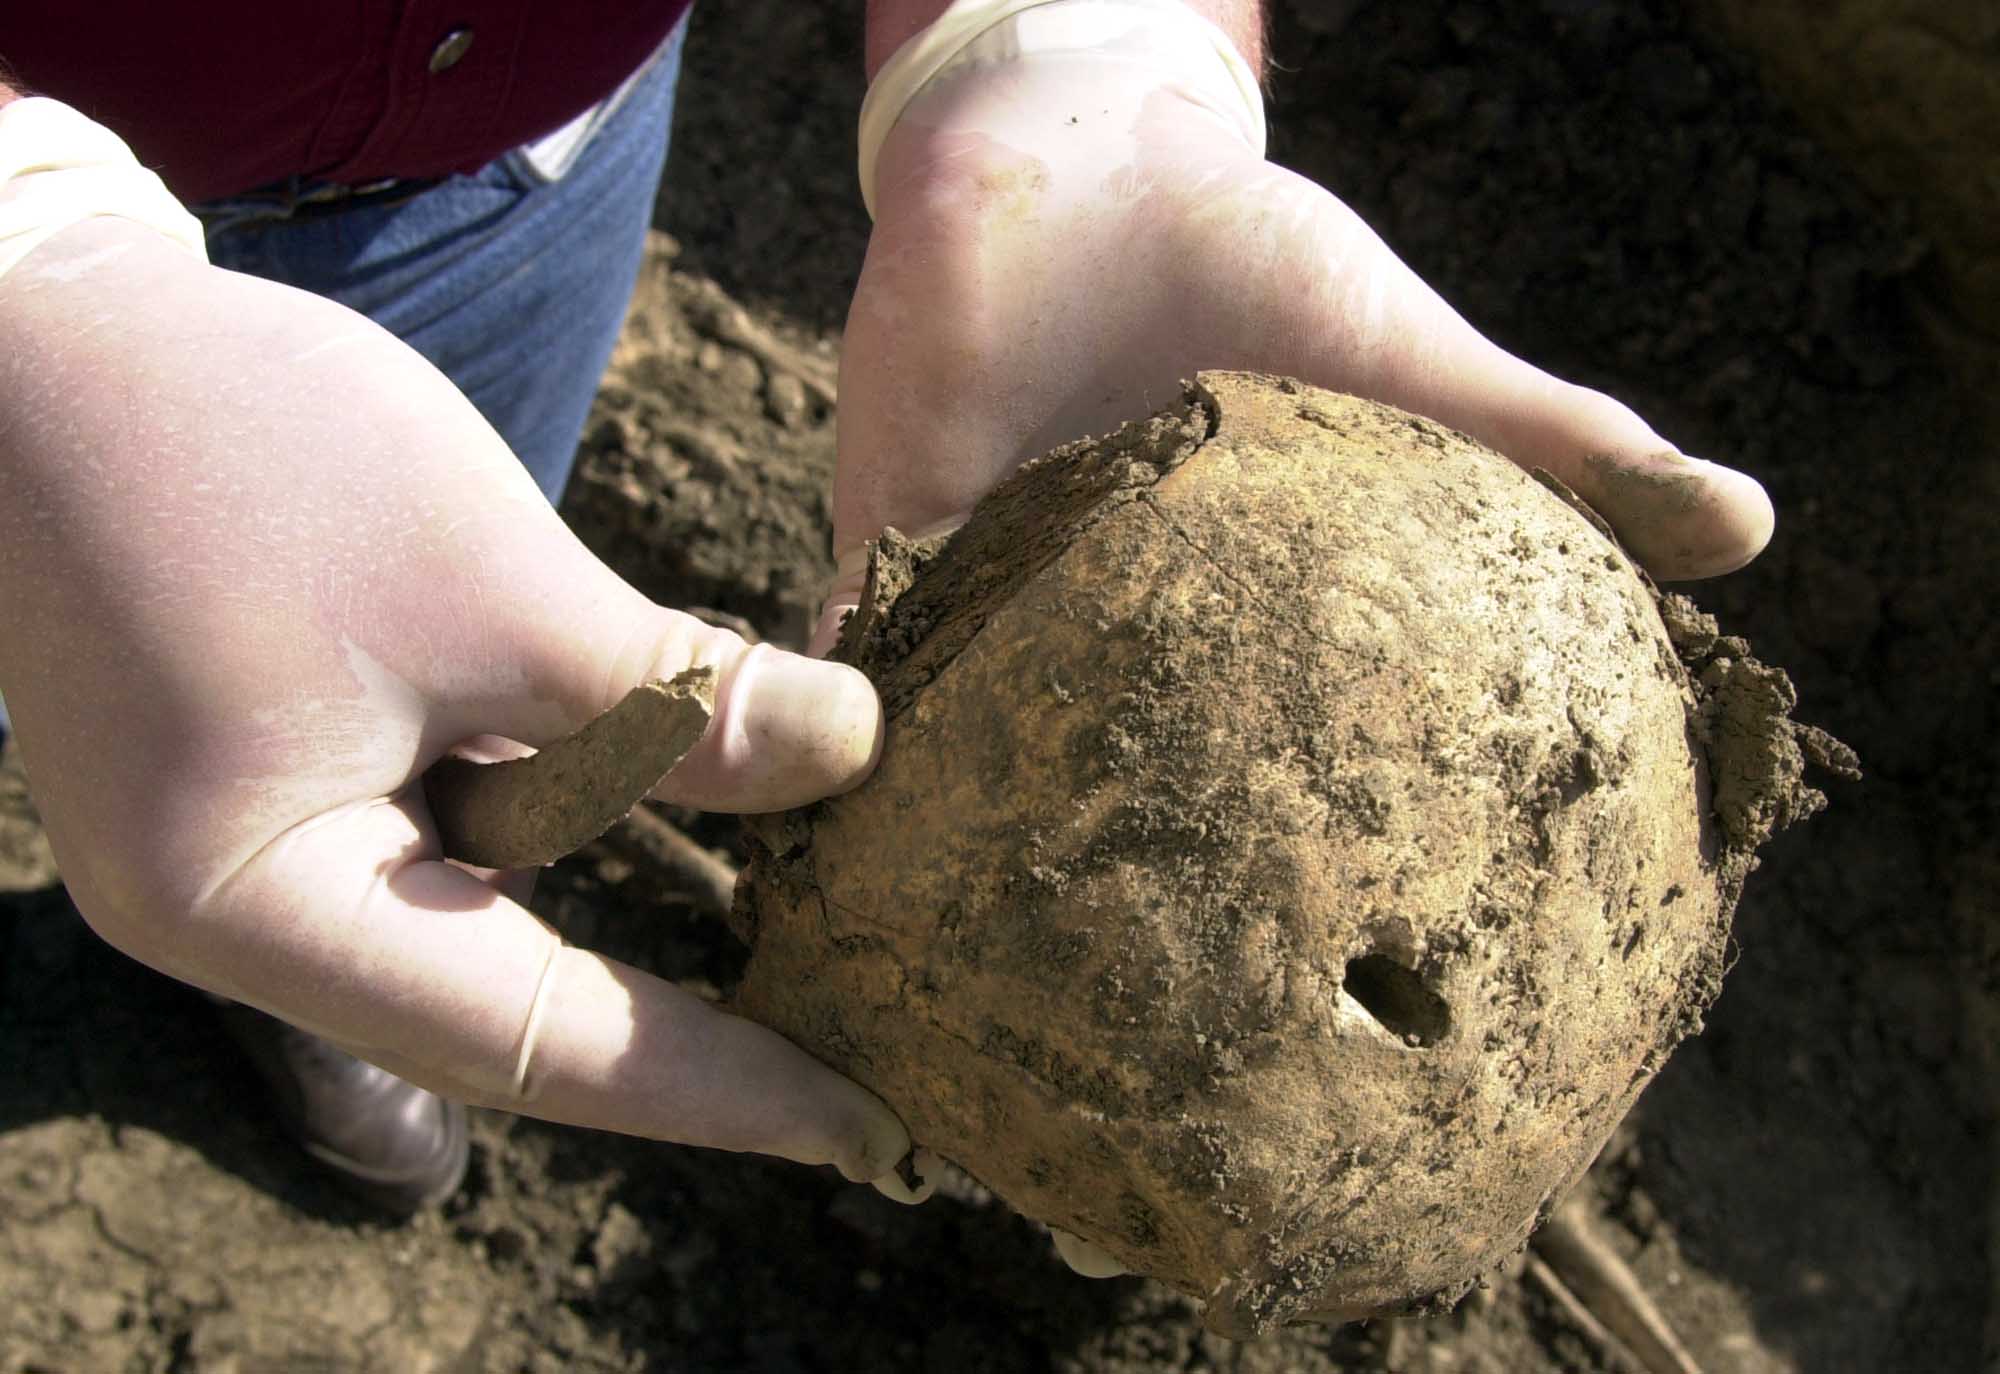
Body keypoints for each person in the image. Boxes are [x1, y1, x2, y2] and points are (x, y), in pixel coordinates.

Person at [0, 0, 1772, 1233]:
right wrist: (32, 268)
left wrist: (1060, 56)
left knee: (362, 678)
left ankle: (331, 959)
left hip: (507, 170)